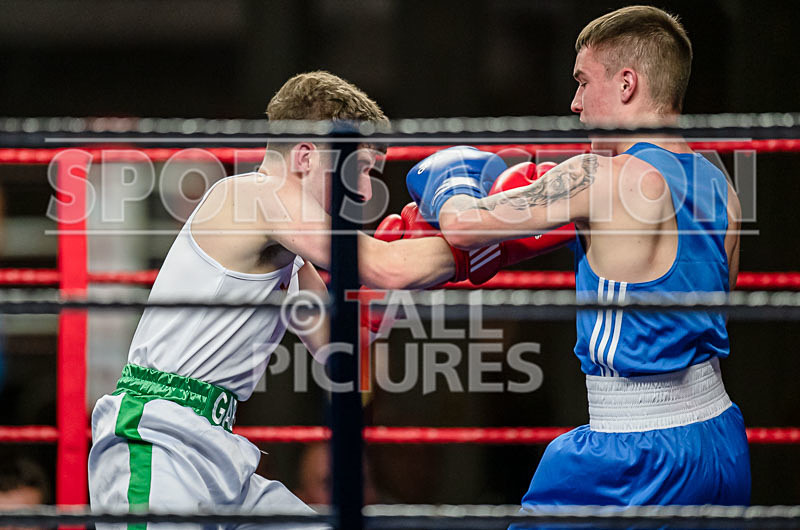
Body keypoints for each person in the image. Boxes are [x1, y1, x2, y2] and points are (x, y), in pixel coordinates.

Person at [88, 71, 555, 525]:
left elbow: (342, 351)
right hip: (155, 439)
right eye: (362, 169)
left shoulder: (290, 258)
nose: (367, 191)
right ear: (307, 156)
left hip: (215, 447)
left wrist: (388, 292)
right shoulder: (256, 196)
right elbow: (387, 265)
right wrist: (501, 227)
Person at [407, 6, 749, 507]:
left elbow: (462, 225)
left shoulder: (598, 176)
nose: (575, 103)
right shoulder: (720, 184)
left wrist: (450, 180)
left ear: (627, 84)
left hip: (632, 455)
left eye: (584, 81)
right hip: (719, 441)